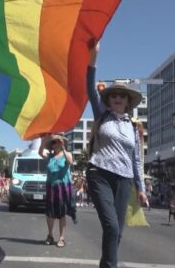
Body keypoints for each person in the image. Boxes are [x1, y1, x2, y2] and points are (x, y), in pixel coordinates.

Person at [86, 43, 147, 268]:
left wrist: (140, 188)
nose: (119, 98)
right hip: (99, 174)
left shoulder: (133, 126)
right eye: (115, 95)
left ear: (128, 101)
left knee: (117, 233)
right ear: (109, 99)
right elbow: (91, 90)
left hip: (124, 180)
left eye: (123, 95)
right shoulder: (102, 114)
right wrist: (94, 59)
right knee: (111, 226)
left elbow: (136, 159)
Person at [39, 133, 74, 248]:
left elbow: (70, 162)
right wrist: (43, 141)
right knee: (50, 213)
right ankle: (50, 235)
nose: (54, 144)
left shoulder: (66, 154)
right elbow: (40, 153)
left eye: (56, 142)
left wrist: (63, 148)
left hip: (62, 188)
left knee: (61, 213)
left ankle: (62, 238)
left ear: (61, 143)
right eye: (53, 142)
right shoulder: (50, 156)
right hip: (51, 187)